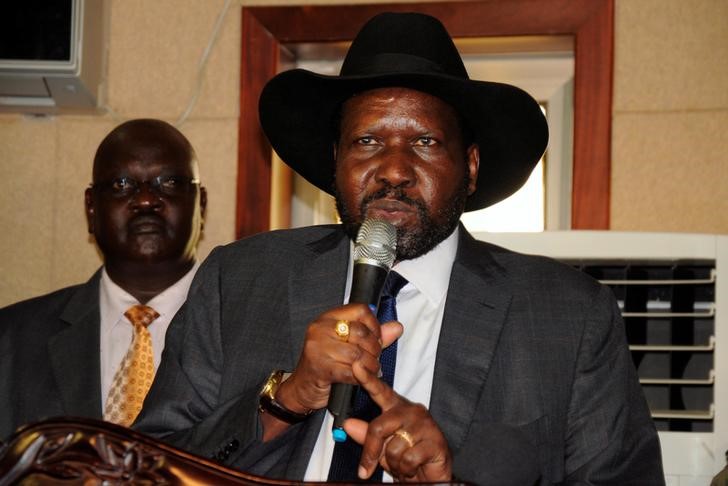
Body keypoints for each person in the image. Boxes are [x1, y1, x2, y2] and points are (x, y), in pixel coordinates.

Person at [135, 13, 664, 484]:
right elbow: (144, 470)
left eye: (425, 142)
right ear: (335, 159)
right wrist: (287, 399)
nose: (393, 170)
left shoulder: (567, 316)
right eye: (367, 141)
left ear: (471, 166)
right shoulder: (240, 279)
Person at [0, 119, 207, 439]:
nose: (146, 200)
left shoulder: (247, 334)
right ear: (91, 208)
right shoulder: (11, 339)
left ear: (201, 204)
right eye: (122, 185)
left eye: (169, 182)